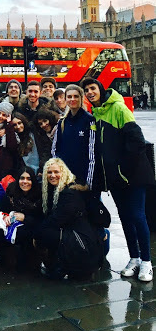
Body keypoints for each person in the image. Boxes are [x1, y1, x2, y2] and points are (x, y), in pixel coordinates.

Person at [81, 78, 154, 281]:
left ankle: (147, 262)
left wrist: (122, 170)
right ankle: (134, 258)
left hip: (133, 176)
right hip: (115, 179)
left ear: (100, 89)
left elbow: (137, 142)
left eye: (93, 88)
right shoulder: (96, 114)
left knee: (137, 216)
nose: (90, 92)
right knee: (125, 218)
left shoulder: (119, 108)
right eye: (86, 90)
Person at [35, 158, 102, 280]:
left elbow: (57, 219)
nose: (52, 175)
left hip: (80, 238)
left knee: (43, 233)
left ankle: (59, 266)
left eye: (56, 172)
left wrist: (37, 231)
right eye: (49, 172)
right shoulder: (56, 189)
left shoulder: (69, 193)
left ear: (63, 172)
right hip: (74, 232)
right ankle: (56, 264)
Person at [52, 84, 96, 188]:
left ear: (81, 98)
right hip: (64, 178)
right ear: (65, 99)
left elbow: (93, 154)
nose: (72, 99)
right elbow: (55, 150)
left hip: (82, 179)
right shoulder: (62, 122)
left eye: (76, 96)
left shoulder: (89, 120)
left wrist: (88, 184)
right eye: (69, 96)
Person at [2, 167, 42, 267]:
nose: (25, 181)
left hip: (31, 228)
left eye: (29, 179)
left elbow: (41, 219)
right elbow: (4, 209)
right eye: (22, 178)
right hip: (12, 225)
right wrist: (6, 216)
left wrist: (25, 218)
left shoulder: (39, 194)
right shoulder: (12, 190)